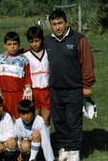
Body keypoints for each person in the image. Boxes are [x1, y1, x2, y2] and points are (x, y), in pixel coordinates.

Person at [45, 10, 95, 161]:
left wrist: (87, 85)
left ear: (67, 23)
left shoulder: (79, 39)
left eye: (60, 23)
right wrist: (15, 53)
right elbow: (34, 50)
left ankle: (74, 151)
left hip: (74, 88)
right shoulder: (47, 40)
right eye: (54, 24)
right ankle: (64, 148)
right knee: (59, 121)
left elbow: (87, 63)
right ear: (50, 26)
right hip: (55, 89)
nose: (58, 27)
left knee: (73, 121)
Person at [0, 31, 33, 119]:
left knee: (20, 119)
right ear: (5, 45)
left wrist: (28, 87)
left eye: (15, 44)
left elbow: (27, 77)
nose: (12, 46)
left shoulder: (23, 59)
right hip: (4, 95)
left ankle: (20, 133)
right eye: (9, 44)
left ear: (19, 44)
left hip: (19, 94)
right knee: (5, 120)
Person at [24, 26, 51, 132]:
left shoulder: (48, 53)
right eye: (31, 41)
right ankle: (36, 146)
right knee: (35, 120)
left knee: (46, 120)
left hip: (46, 91)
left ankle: (47, 146)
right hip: (33, 92)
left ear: (42, 40)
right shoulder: (25, 56)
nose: (34, 44)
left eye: (37, 41)